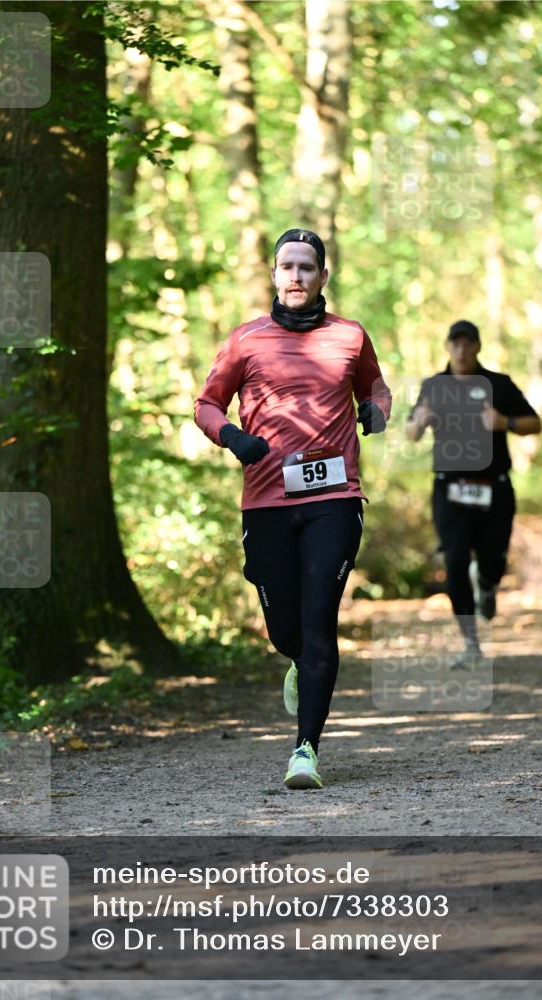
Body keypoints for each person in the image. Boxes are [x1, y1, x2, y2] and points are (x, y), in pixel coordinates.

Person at [194, 228, 392, 789]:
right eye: (288, 267)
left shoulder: (350, 336)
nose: (298, 276)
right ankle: (296, 660)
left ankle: (305, 748)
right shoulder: (246, 340)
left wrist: (375, 411)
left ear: (324, 276)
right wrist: (234, 437)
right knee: (286, 628)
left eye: (308, 267)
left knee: (318, 618)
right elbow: (206, 404)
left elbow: (376, 387)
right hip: (265, 501)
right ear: (275, 275)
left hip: (336, 496)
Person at [406, 319, 542, 665]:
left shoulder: (497, 384)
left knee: (493, 560)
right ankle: (470, 643)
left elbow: (533, 423)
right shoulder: (434, 387)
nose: (462, 350)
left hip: (494, 488)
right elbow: (410, 432)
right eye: (456, 344)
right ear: (447, 347)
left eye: (468, 344)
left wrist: (504, 422)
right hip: (449, 489)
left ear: (478, 347)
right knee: (454, 560)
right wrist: (418, 421)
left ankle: (487, 582)